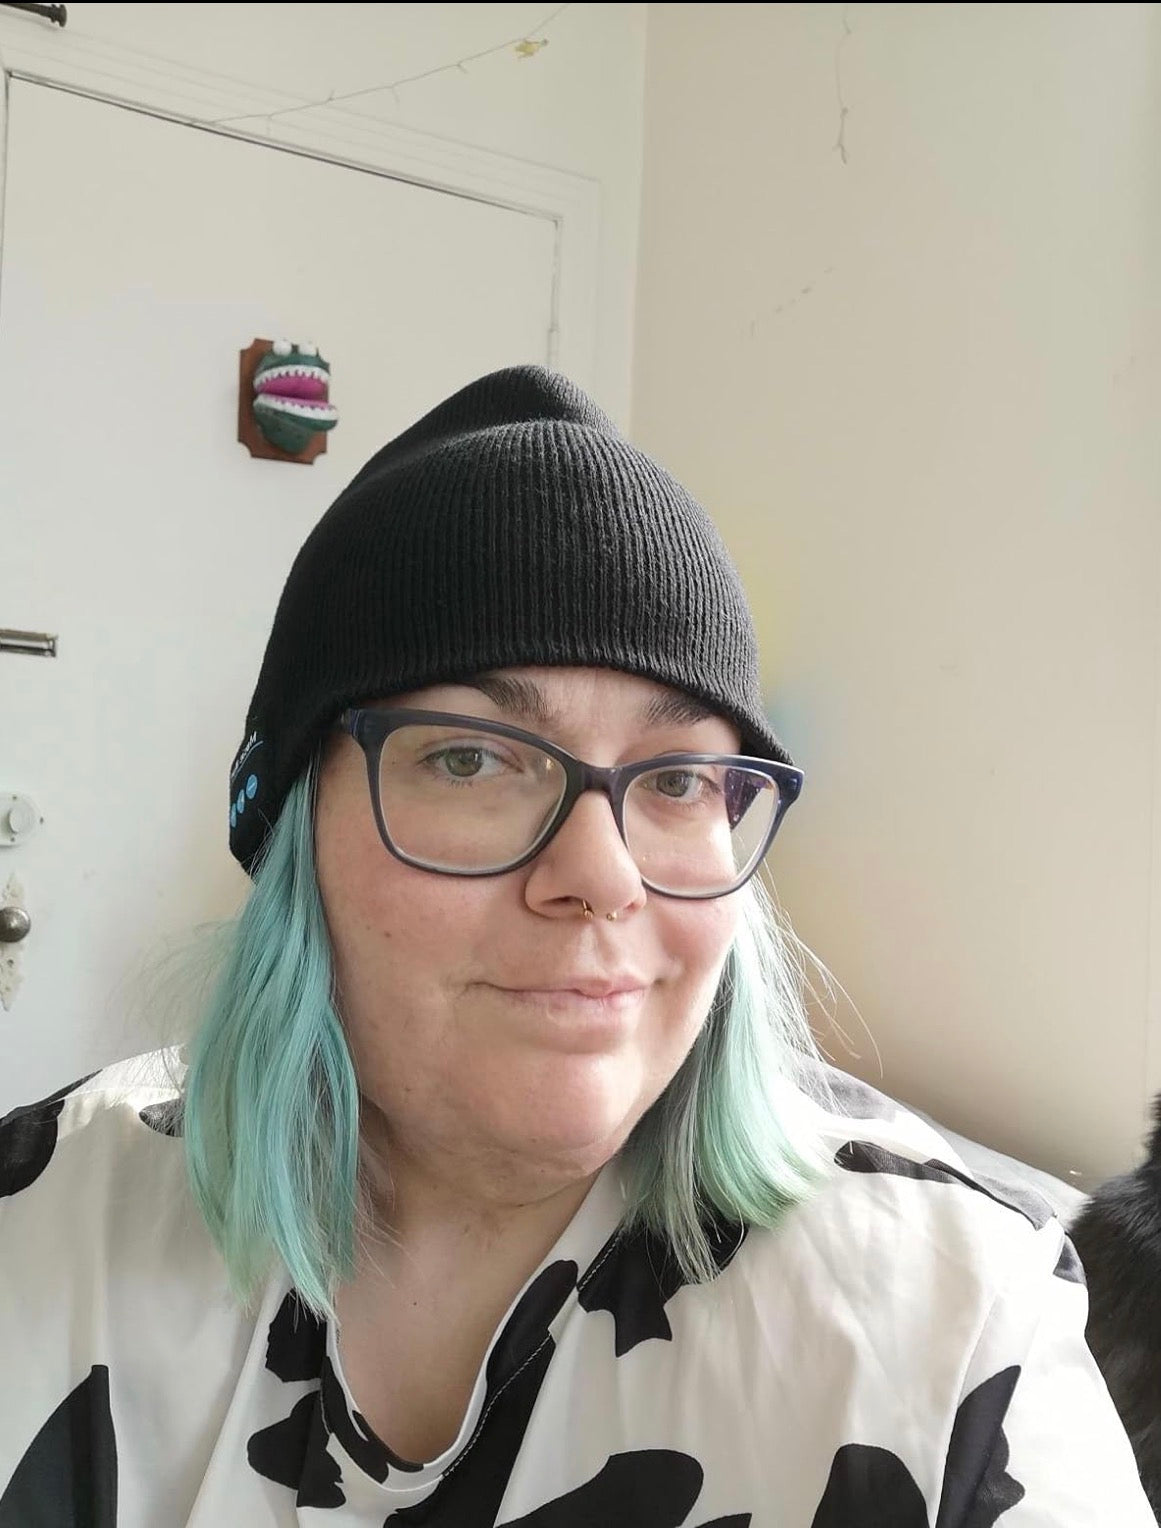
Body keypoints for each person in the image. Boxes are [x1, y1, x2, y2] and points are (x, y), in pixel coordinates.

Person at [0, 366, 1152, 1526]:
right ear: (294, 832)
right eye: (470, 759)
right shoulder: (41, 1228)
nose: (602, 876)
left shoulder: (958, 1327)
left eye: (679, 778)